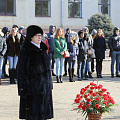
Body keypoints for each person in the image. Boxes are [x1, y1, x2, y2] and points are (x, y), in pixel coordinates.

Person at [17, 25, 53, 120]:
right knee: (33, 115)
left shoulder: (42, 49)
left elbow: (47, 70)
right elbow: (21, 71)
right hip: (32, 89)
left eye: (41, 35)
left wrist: (49, 84)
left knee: (43, 115)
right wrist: (23, 89)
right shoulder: (26, 50)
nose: (39, 37)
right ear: (31, 36)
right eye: (37, 35)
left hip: (44, 89)